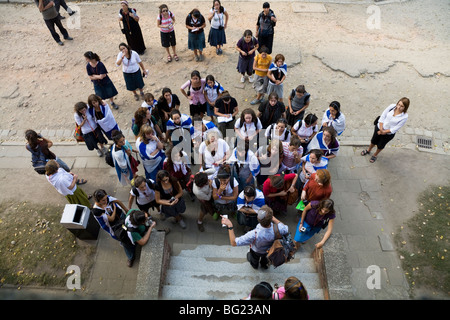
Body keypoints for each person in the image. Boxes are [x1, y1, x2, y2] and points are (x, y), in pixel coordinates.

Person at [221, 205, 288, 269]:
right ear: (271, 218)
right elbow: (286, 228)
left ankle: (255, 266)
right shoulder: (279, 228)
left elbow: (234, 243)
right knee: (266, 259)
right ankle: (264, 265)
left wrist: (230, 226)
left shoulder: (253, 234)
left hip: (256, 251)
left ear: (258, 218)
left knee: (254, 260)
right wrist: (273, 219)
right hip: (270, 250)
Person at [361, 97, 410, 163]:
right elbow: (383, 116)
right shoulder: (392, 107)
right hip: (379, 128)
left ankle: (375, 155)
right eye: (398, 104)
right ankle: (368, 150)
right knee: (373, 140)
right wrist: (381, 129)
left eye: (401, 106)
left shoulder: (404, 116)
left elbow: (396, 128)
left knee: (381, 145)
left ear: (405, 107)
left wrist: (384, 132)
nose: (398, 107)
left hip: (388, 134)